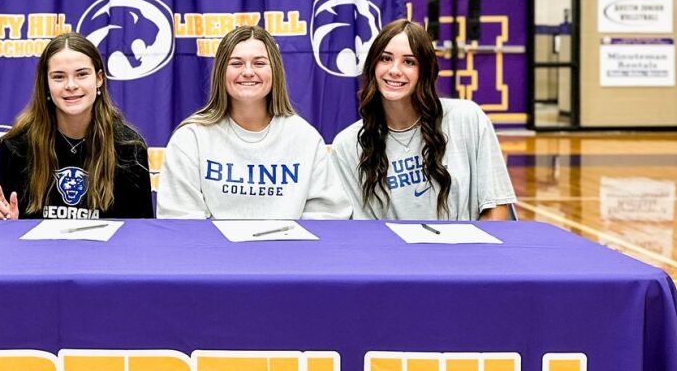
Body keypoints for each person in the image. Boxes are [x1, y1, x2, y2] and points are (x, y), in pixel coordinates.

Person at [329, 18, 516, 221]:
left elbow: (496, 208)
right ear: (373, 65)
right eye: (385, 58)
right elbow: (360, 233)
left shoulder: (467, 119)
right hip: (391, 253)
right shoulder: (348, 145)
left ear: (425, 71)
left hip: (468, 252)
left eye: (409, 62)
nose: (394, 70)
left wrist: (472, 253)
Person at [156, 24, 348, 220]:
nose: (248, 72)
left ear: (275, 72)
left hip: (289, 250)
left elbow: (329, 216)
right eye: (236, 63)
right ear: (221, 72)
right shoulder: (191, 139)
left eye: (259, 63)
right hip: (214, 250)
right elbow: (180, 219)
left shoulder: (305, 138)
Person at [0, 33, 154, 220]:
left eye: (81, 74)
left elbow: (141, 232)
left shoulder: (129, 147)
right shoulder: (16, 146)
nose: (71, 85)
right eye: (59, 77)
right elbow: (10, 225)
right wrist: (5, 224)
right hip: (37, 250)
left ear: (99, 79)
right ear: (46, 85)